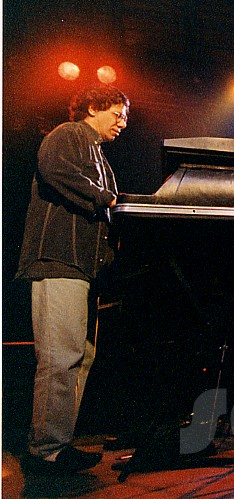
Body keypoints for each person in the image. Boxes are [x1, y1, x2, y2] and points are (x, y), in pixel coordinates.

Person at [15, 85, 129, 473]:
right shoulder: (69, 133)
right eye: (117, 113)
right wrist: (106, 199)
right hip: (59, 261)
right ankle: (45, 450)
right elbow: (55, 170)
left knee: (80, 355)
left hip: (82, 268)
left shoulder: (97, 152)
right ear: (93, 107)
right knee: (61, 355)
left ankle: (56, 442)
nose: (122, 123)